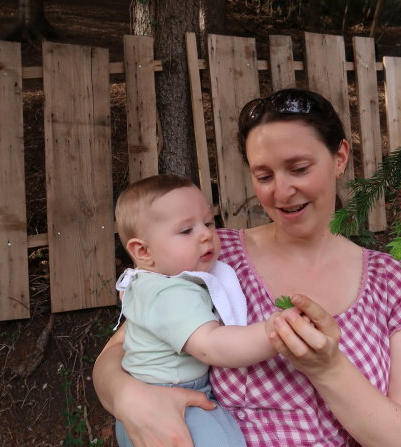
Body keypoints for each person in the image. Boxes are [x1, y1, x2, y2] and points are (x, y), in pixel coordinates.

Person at [94, 88, 401, 447]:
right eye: (265, 176)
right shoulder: (211, 256)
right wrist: (129, 399)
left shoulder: (389, 280)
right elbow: (120, 351)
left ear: (339, 157)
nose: (282, 191)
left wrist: (328, 368)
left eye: (299, 168)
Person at [112, 174, 278, 447]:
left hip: (157, 396)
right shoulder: (169, 293)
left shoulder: (150, 282)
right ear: (143, 251)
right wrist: (272, 333)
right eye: (186, 230)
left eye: (209, 223)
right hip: (167, 403)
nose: (206, 234)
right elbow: (211, 345)